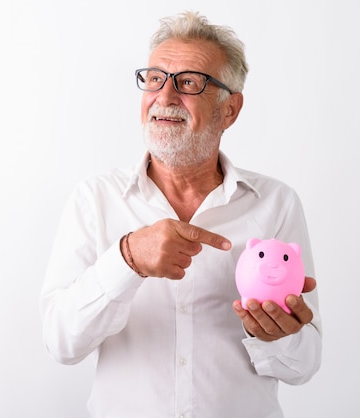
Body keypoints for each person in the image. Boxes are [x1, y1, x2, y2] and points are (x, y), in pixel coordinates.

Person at [39, 11, 322, 418]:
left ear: (230, 110)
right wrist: (127, 259)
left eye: (189, 82)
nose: (165, 97)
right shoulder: (95, 199)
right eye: (155, 79)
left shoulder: (275, 203)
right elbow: (61, 343)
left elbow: (304, 366)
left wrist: (277, 336)